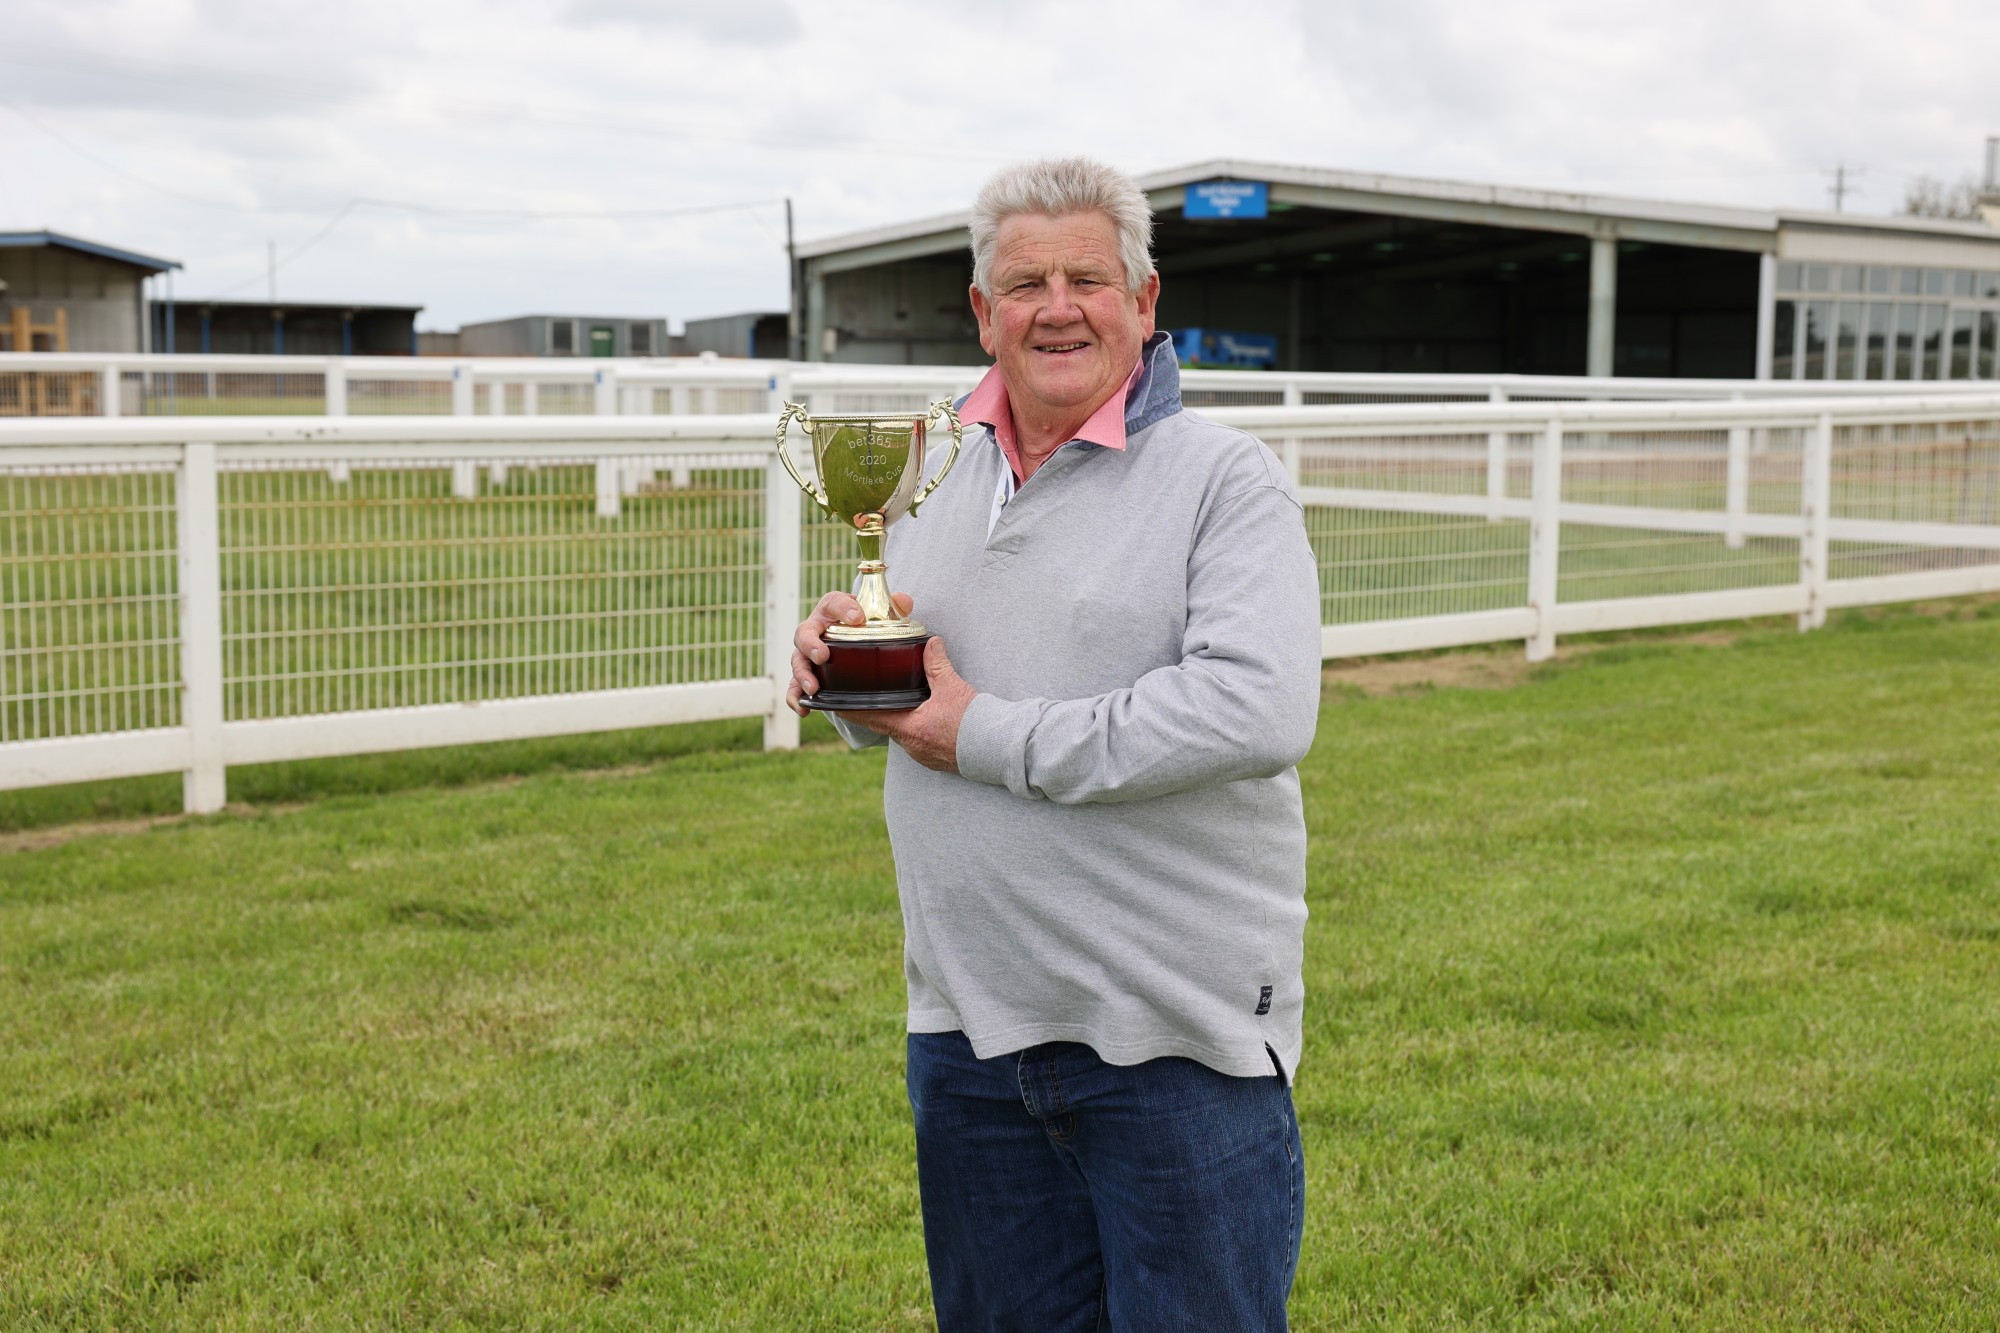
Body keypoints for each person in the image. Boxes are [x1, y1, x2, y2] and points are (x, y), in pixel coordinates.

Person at [787, 157, 1323, 1331]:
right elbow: (928, 706)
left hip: (1175, 1045)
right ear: (983, 314)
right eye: (1024, 282)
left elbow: (1256, 707)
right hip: (967, 1035)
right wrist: (850, 670)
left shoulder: (1224, 482)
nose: (1057, 306)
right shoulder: (931, 481)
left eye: (1089, 277)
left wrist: (982, 733)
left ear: (1143, 300)